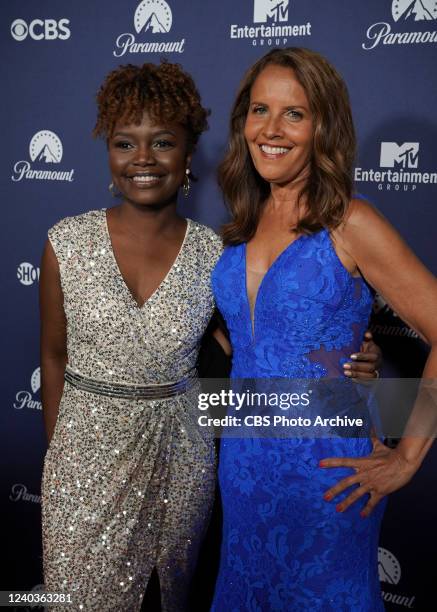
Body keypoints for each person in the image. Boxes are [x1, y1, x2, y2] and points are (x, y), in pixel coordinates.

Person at [210, 47, 437, 611]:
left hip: (328, 479)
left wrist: (406, 458)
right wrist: (345, 360)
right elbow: (248, 339)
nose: (271, 129)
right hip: (243, 472)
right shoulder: (240, 225)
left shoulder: (351, 222)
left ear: (323, 127)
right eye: (259, 109)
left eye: (295, 113)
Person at [39, 61, 224, 612]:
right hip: (83, 461)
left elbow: (259, 345)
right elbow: (52, 357)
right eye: (126, 143)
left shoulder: (214, 253)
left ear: (188, 158)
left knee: (164, 598)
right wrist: (65, 455)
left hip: (181, 458)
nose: (143, 158)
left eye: (162, 142)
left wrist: (361, 365)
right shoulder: (65, 243)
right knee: (70, 598)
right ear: (109, 154)